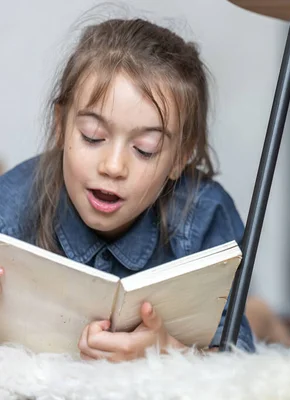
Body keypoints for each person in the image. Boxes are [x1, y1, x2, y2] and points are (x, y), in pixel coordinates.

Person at [0, 18, 255, 361]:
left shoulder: (205, 214)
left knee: (260, 320)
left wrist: (166, 352)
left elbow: (243, 362)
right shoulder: (11, 206)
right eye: (93, 136)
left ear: (181, 156)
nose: (113, 166)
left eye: (145, 148)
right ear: (61, 125)